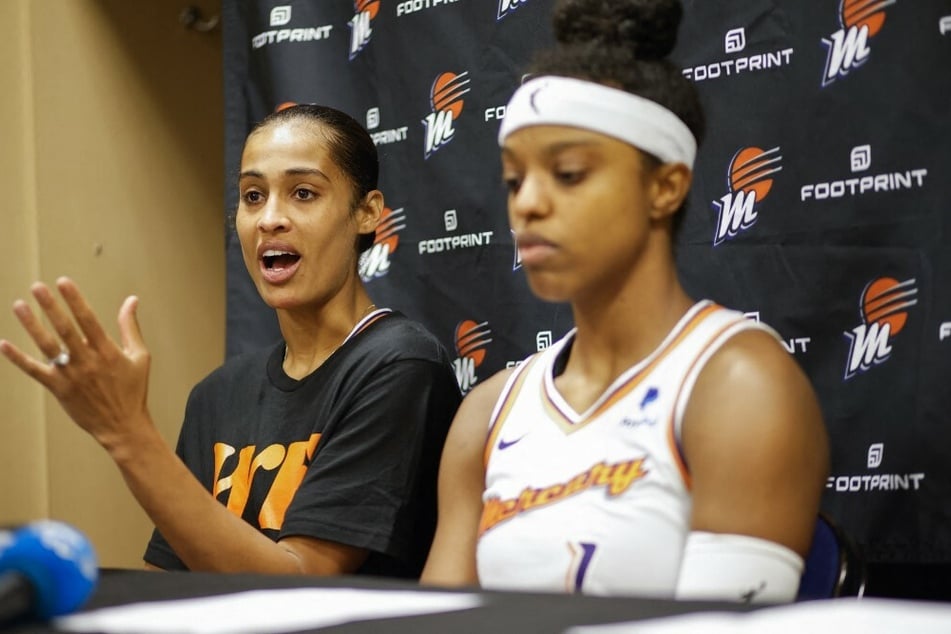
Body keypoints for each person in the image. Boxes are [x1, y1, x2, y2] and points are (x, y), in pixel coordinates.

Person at [420, 0, 829, 603]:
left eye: (570, 173)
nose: (526, 204)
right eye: (514, 179)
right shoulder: (486, 414)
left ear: (665, 186)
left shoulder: (738, 385)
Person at [0, 104, 462, 578]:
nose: (270, 219)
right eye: (253, 196)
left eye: (303, 193)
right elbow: (171, 582)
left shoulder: (399, 365)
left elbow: (301, 584)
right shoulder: (218, 394)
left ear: (367, 213)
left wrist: (127, 433)